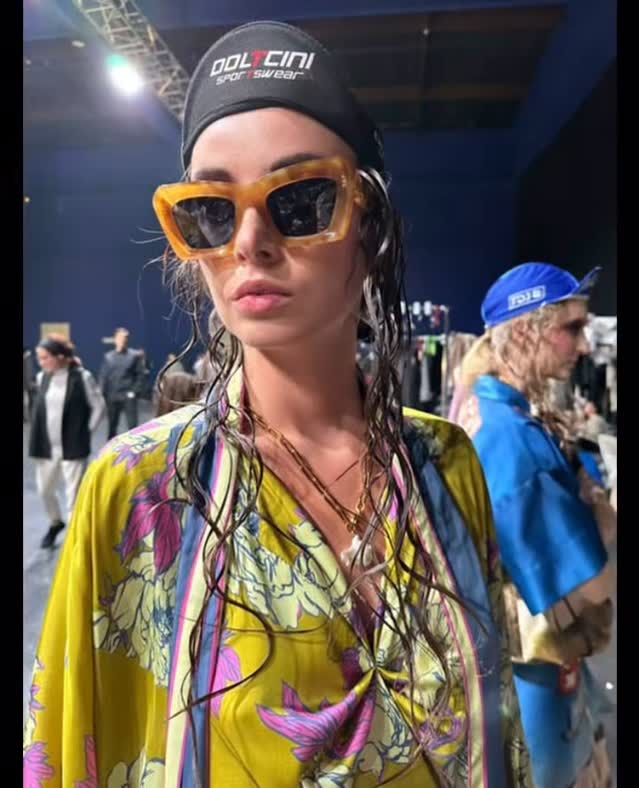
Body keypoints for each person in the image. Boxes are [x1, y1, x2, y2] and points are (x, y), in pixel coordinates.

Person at [24, 22, 532, 786]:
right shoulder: (140, 490)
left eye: (299, 201)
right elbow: (66, 754)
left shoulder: (445, 467)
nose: (249, 242)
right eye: (212, 210)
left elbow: (502, 737)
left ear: (369, 226)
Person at [456, 263, 616, 788]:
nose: (584, 346)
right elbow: (593, 585)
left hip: (504, 669)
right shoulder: (516, 443)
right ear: (526, 331)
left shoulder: (482, 405)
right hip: (536, 685)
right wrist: (604, 514)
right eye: (572, 328)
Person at [27, 334, 105, 548]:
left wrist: (86, 432)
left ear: (60, 356)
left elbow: (99, 406)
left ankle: (74, 539)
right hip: (46, 447)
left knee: (73, 495)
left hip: (73, 446)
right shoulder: (42, 378)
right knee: (45, 490)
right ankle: (55, 522)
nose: (41, 362)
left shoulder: (82, 377)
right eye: (39, 358)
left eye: (45, 358)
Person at [99, 327, 147, 438]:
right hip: (112, 396)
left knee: (133, 427)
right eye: (121, 338)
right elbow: (103, 376)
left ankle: (135, 446)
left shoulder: (134, 356)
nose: (123, 340)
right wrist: (102, 393)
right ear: (115, 339)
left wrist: (134, 392)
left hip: (128, 395)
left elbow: (140, 375)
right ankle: (110, 447)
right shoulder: (108, 357)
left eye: (125, 338)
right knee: (112, 426)